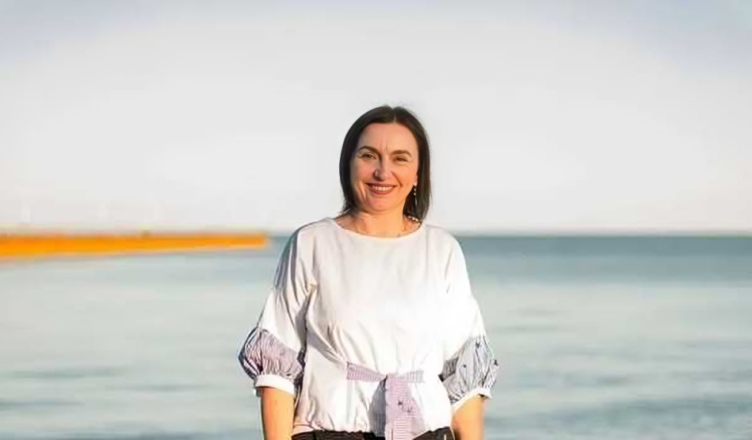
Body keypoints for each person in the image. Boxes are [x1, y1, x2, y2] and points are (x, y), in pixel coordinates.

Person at [238, 105, 499, 440]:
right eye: (369, 156)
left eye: (400, 158)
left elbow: (464, 383)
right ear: (348, 164)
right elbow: (277, 375)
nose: (383, 171)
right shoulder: (312, 243)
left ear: (418, 174)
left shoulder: (442, 250)